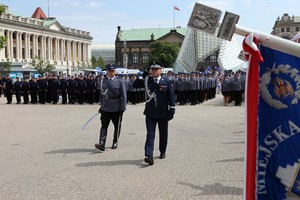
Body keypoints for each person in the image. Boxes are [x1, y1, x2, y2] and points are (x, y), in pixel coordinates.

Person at [133, 61, 175, 166]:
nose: (154, 71)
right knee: (150, 134)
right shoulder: (147, 80)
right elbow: (135, 85)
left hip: (163, 111)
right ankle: (148, 155)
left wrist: (172, 109)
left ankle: (162, 151)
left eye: (156, 69)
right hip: (150, 112)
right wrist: (143, 74)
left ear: (161, 70)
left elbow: (171, 96)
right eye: (152, 69)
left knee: (163, 133)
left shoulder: (167, 81)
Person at [95, 64, 127, 151]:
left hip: (116, 107)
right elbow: (101, 95)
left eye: (113, 71)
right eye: (109, 71)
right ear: (107, 71)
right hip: (105, 107)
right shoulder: (102, 81)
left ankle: (115, 141)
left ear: (115, 72)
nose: (111, 72)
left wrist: (123, 108)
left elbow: (124, 96)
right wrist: (101, 106)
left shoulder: (120, 81)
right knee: (104, 125)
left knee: (117, 126)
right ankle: (102, 143)